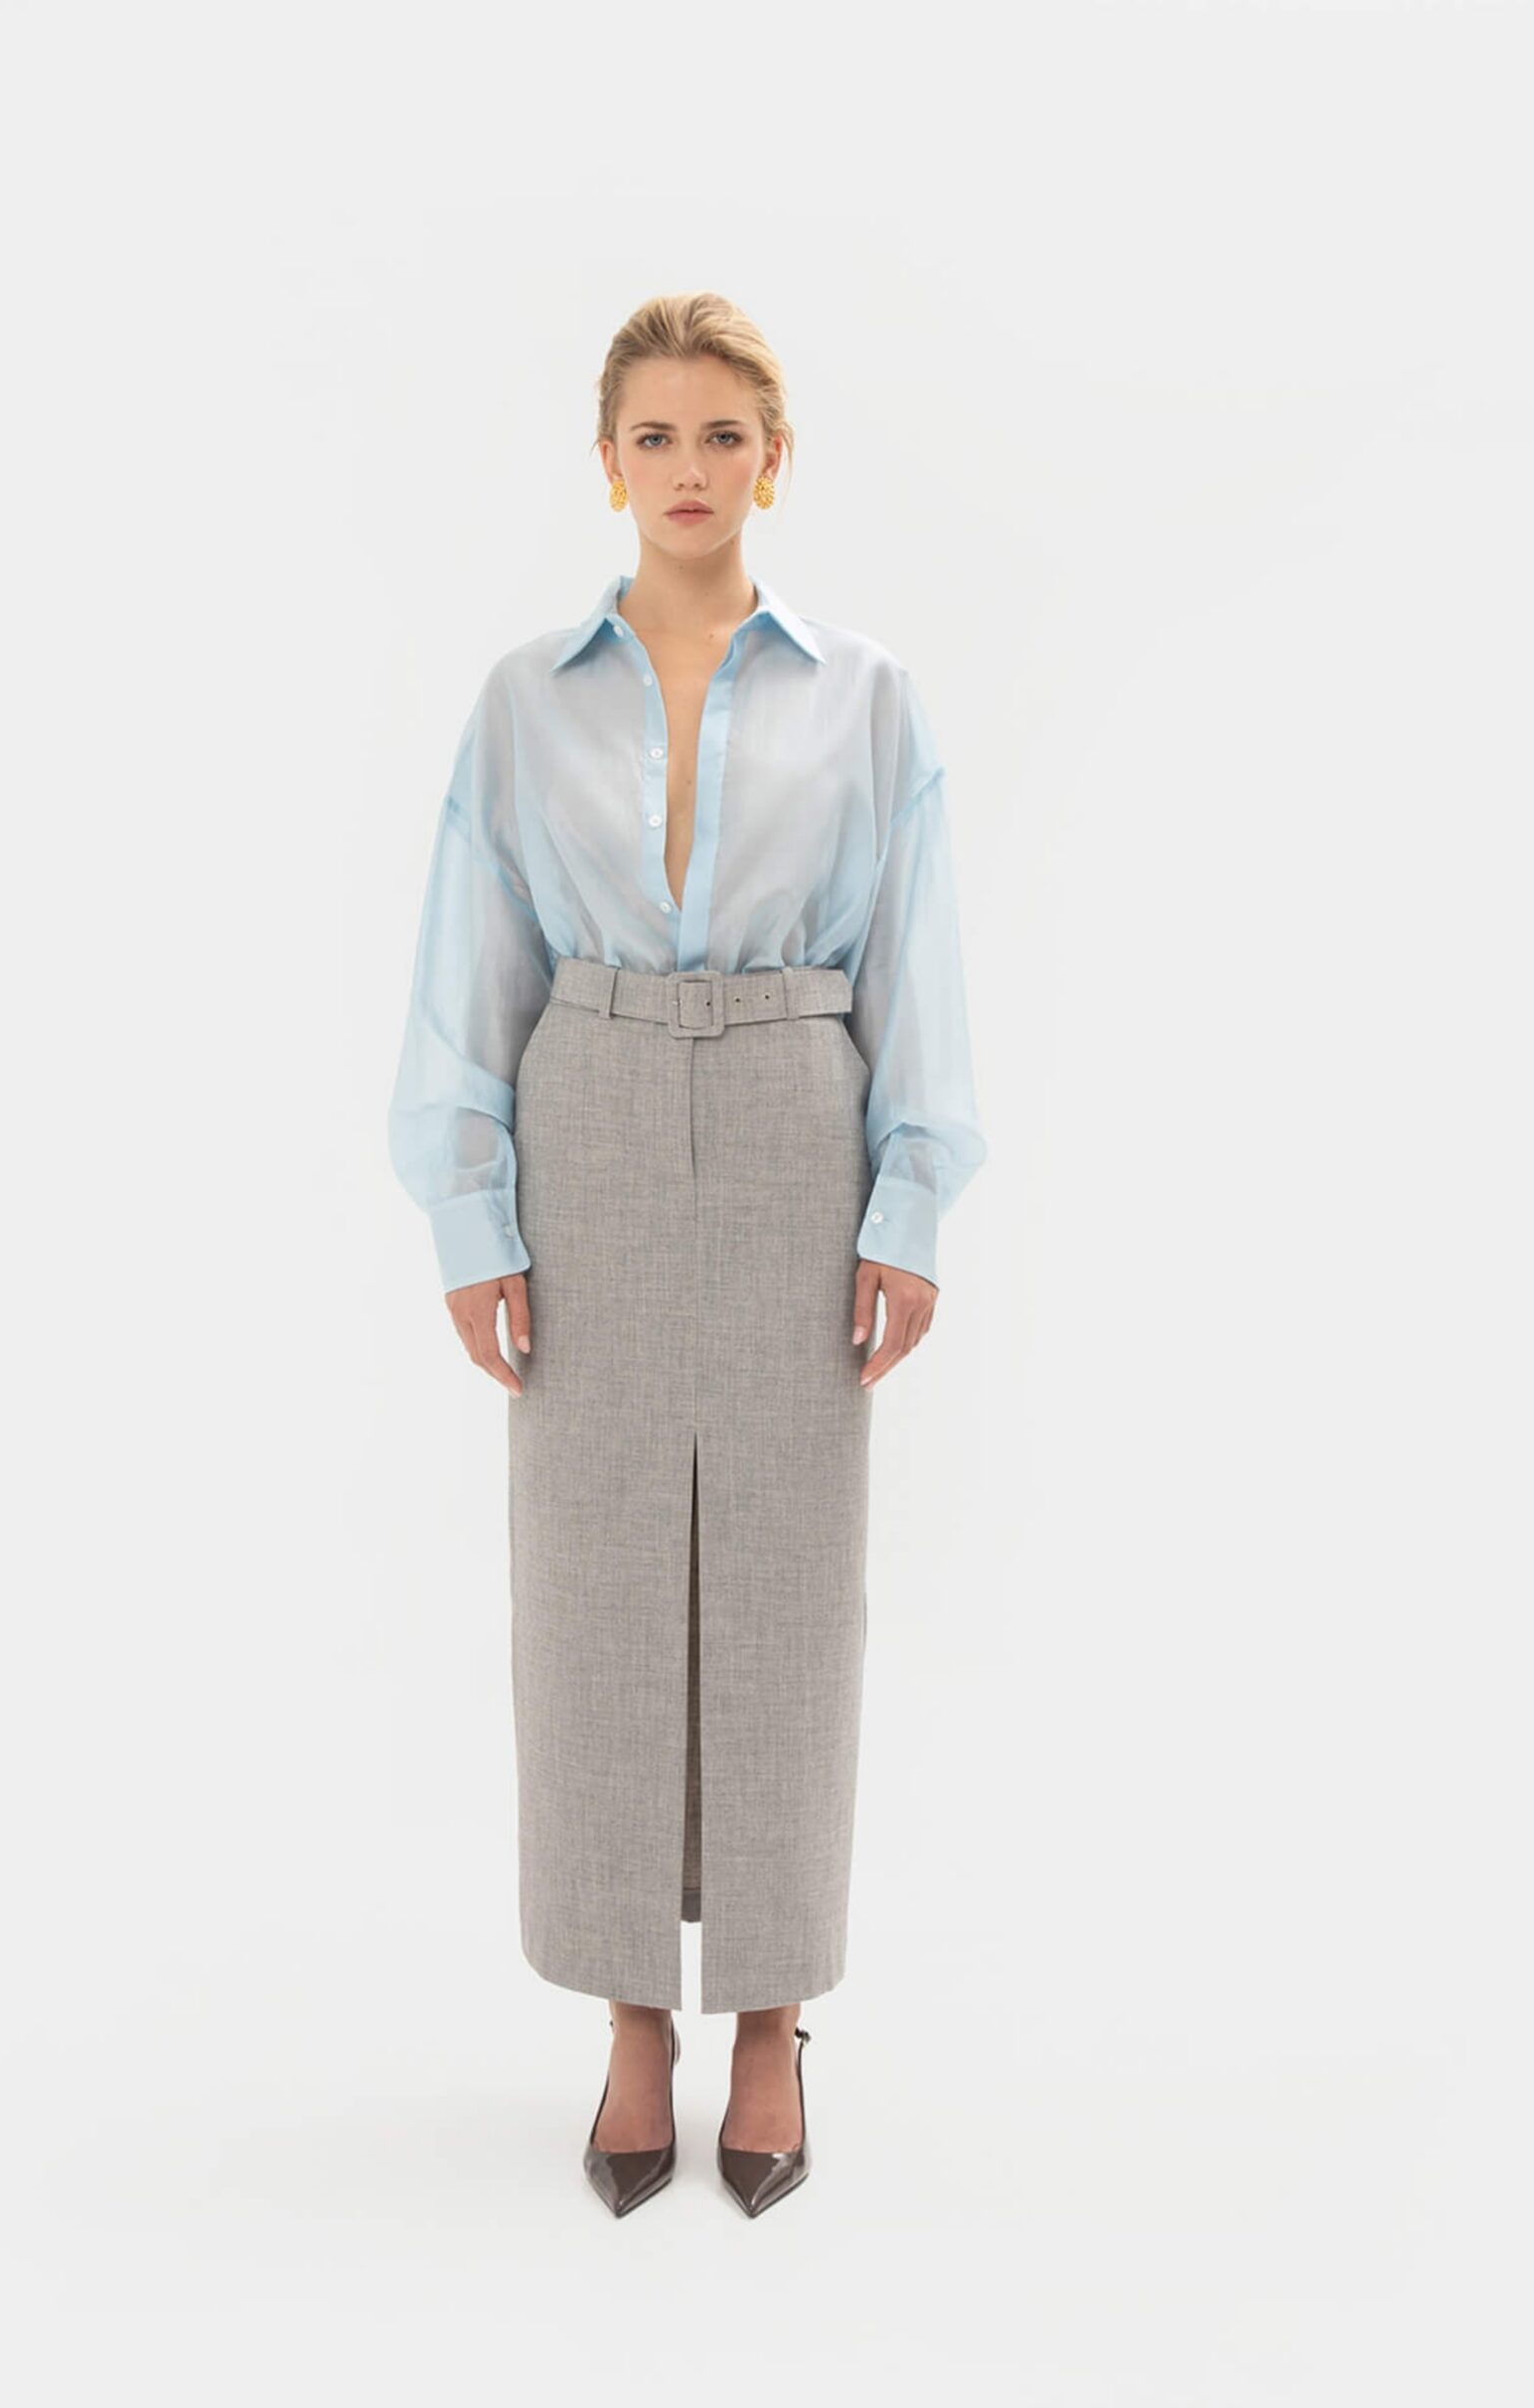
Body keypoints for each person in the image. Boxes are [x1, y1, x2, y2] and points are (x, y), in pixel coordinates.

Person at [387, 291, 986, 2218]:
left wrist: (909, 1202)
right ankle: (632, 2011)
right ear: (607, 463)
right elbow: (470, 959)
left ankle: (772, 2015)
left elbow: (917, 952)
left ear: (773, 461)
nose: (688, 468)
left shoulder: (865, 694)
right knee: (595, 1580)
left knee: (790, 1584)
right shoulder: (523, 699)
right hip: (594, 1108)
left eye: (722, 434)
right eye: (653, 434)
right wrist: (470, 1213)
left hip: (800, 1104)